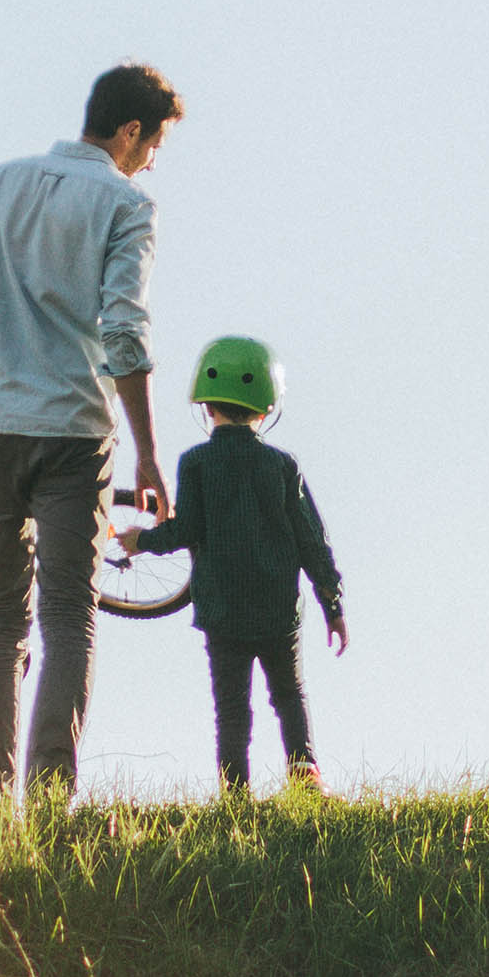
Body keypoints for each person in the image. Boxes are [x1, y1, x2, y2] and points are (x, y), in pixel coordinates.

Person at [0, 63, 181, 800]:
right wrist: (150, 455)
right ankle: (52, 803)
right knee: (69, 616)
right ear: (130, 132)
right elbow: (125, 334)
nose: (154, 161)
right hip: (72, 432)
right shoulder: (128, 205)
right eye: (155, 145)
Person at [118, 334, 345, 795]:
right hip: (278, 609)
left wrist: (141, 539)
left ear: (206, 406)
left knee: (232, 709)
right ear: (265, 409)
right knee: (289, 696)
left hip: (222, 612)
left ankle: (235, 795)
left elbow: (185, 531)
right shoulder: (283, 466)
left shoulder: (196, 463)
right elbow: (311, 540)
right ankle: (305, 779)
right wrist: (332, 603)